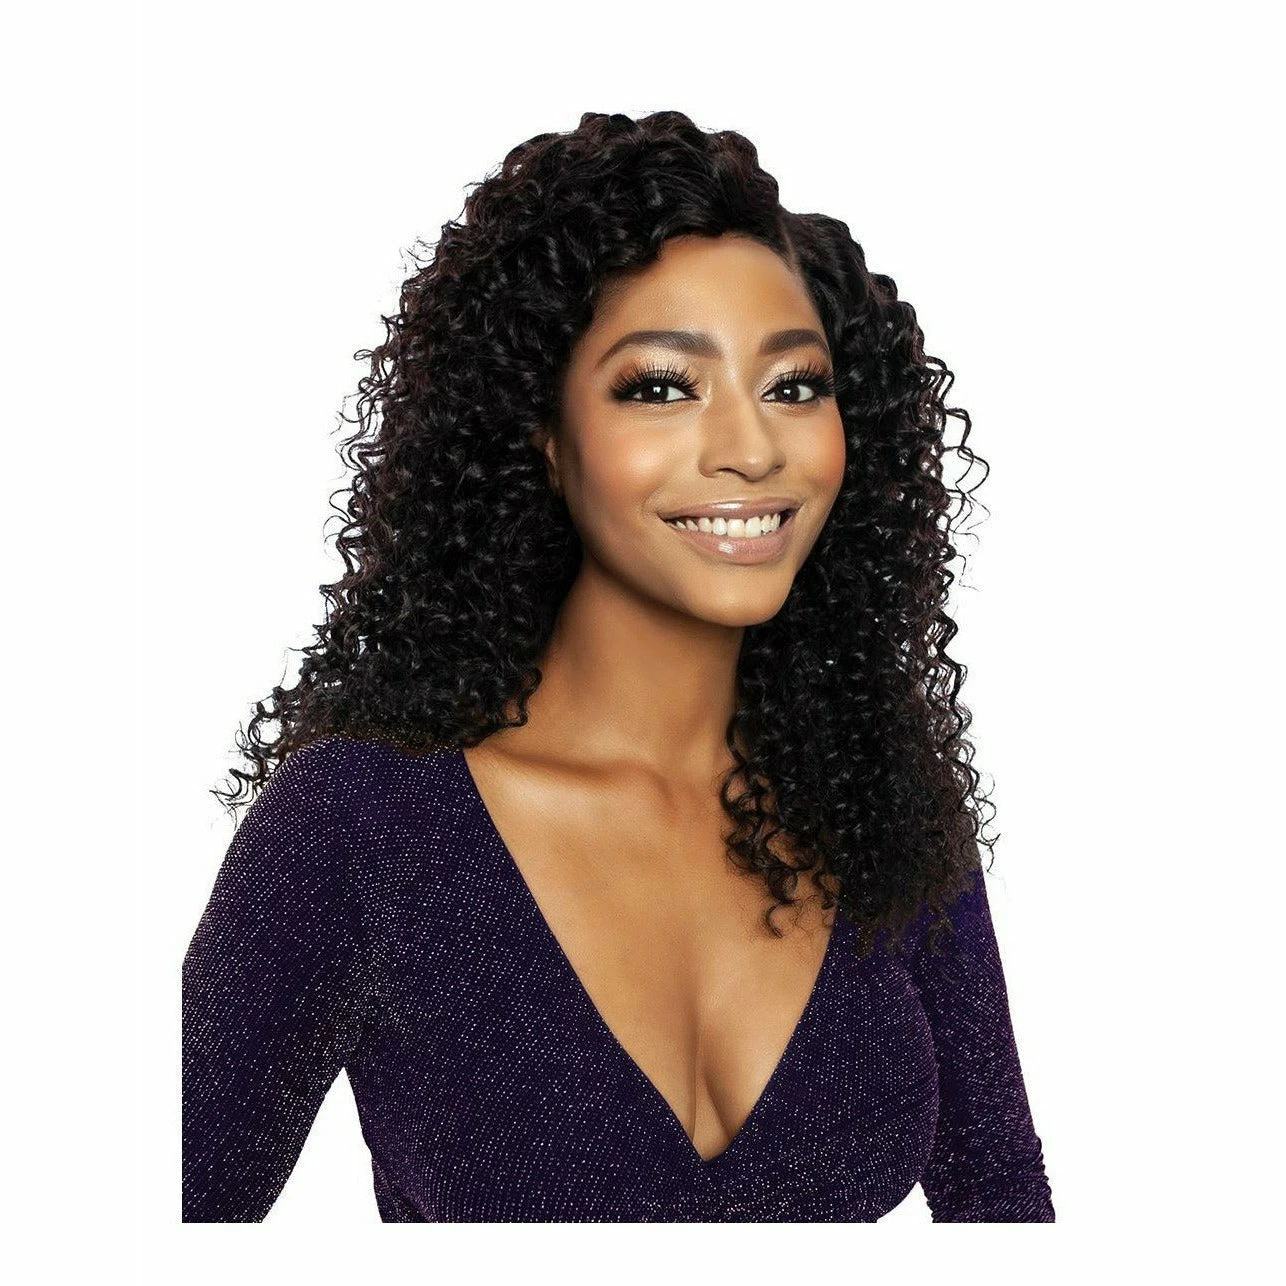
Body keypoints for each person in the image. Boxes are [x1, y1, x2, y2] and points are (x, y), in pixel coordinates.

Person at [182, 109, 1055, 1223]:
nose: (751, 447)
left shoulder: (876, 798)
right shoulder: (360, 826)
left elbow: (1003, 1208)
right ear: (541, 433)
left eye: (793, 385)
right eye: (660, 386)